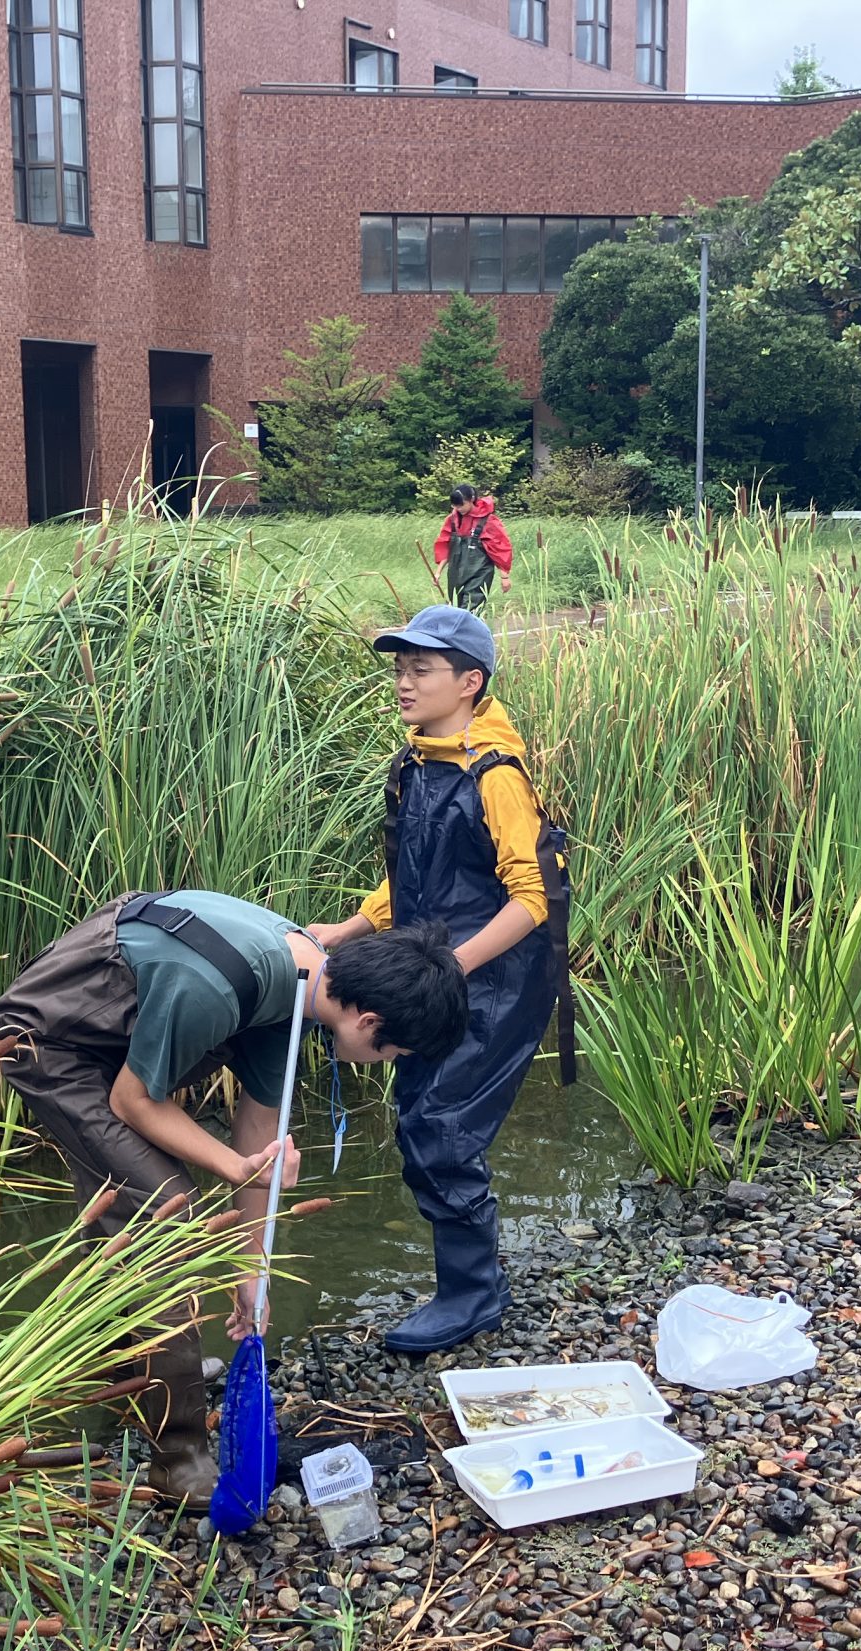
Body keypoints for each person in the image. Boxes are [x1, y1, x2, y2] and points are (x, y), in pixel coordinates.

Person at [0, 892, 467, 1498]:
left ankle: (131, 1374)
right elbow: (134, 1102)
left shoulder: (307, 989)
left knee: (129, 1215)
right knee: (167, 1216)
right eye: (396, 1051)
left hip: (122, 1038)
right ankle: (178, 1455)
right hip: (53, 1041)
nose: (387, 1061)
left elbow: (260, 1132)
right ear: (369, 1022)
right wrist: (234, 1167)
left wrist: (251, 1273)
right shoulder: (219, 984)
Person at [306, 604, 570, 1356]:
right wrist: (351, 928)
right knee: (420, 1111)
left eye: (421, 669)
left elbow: (533, 899)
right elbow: (413, 876)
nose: (404, 682)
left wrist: (456, 965)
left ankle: (473, 1294)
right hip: (433, 973)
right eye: (400, 668)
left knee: (440, 1126)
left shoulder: (497, 776)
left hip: (496, 982)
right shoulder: (416, 765)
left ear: (469, 681)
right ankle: (467, 1281)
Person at [433, 483, 513, 613]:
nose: (458, 509)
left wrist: (504, 578)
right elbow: (445, 546)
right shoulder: (452, 520)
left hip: (479, 575)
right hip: (455, 575)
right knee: (454, 611)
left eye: (461, 505)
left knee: (469, 612)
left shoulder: (488, 521)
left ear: (472, 500)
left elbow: (500, 549)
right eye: (455, 506)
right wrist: (438, 572)